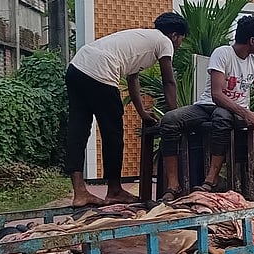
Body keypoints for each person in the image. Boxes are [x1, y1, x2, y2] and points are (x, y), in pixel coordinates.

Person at [65, 12, 187, 206]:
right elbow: (169, 82)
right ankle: (114, 191)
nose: (179, 45)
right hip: (101, 71)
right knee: (112, 133)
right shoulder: (164, 42)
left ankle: (79, 192)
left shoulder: (142, 38)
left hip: (77, 67)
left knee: (78, 130)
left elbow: (133, 79)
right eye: (181, 40)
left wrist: (142, 112)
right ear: (174, 35)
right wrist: (175, 116)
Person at [159, 15, 254, 197]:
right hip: (208, 105)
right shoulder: (223, 53)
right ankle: (173, 185)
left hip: (230, 113)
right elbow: (216, 94)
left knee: (222, 117)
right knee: (169, 120)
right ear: (252, 41)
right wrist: (246, 113)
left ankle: (211, 179)